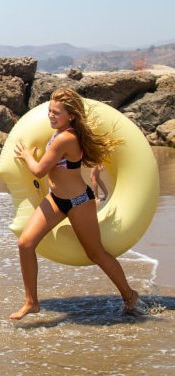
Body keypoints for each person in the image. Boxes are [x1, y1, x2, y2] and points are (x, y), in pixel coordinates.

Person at [11, 87, 139, 320]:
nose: (50, 116)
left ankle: (130, 295)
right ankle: (31, 302)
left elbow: (39, 171)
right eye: (49, 111)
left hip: (79, 201)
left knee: (96, 253)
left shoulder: (66, 138)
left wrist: (27, 155)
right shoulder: (56, 134)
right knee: (25, 243)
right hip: (56, 199)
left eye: (56, 113)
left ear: (71, 116)